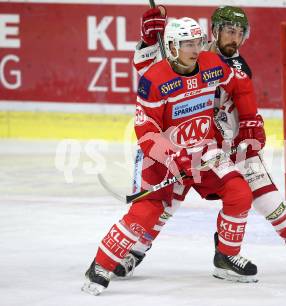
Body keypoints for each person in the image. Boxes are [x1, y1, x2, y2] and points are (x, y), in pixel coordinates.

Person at [113, 5, 286, 279]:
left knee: (267, 198)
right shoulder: (188, 50)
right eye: (230, 31)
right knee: (165, 206)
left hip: (233, 145)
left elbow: (242, 94)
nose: (235, 39)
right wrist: (148, 41)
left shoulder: (236, 66)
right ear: (215, 31)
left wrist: (251, 121)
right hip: (186, 145)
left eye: (240, 33)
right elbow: (149, 71)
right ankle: (134, 252)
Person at [82, 17, 265, 296]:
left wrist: (251, 118)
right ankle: (101, 264)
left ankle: (226, 257)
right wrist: (173, 158)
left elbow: (240, 83)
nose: (194, 49)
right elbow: (146, 132)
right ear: (170, 46)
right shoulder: (154, 80)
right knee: (147, 211)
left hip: (205, 151)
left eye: (197, 42)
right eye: (186, 44)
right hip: (161, 158)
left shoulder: (211, 64)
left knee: (239, 192)